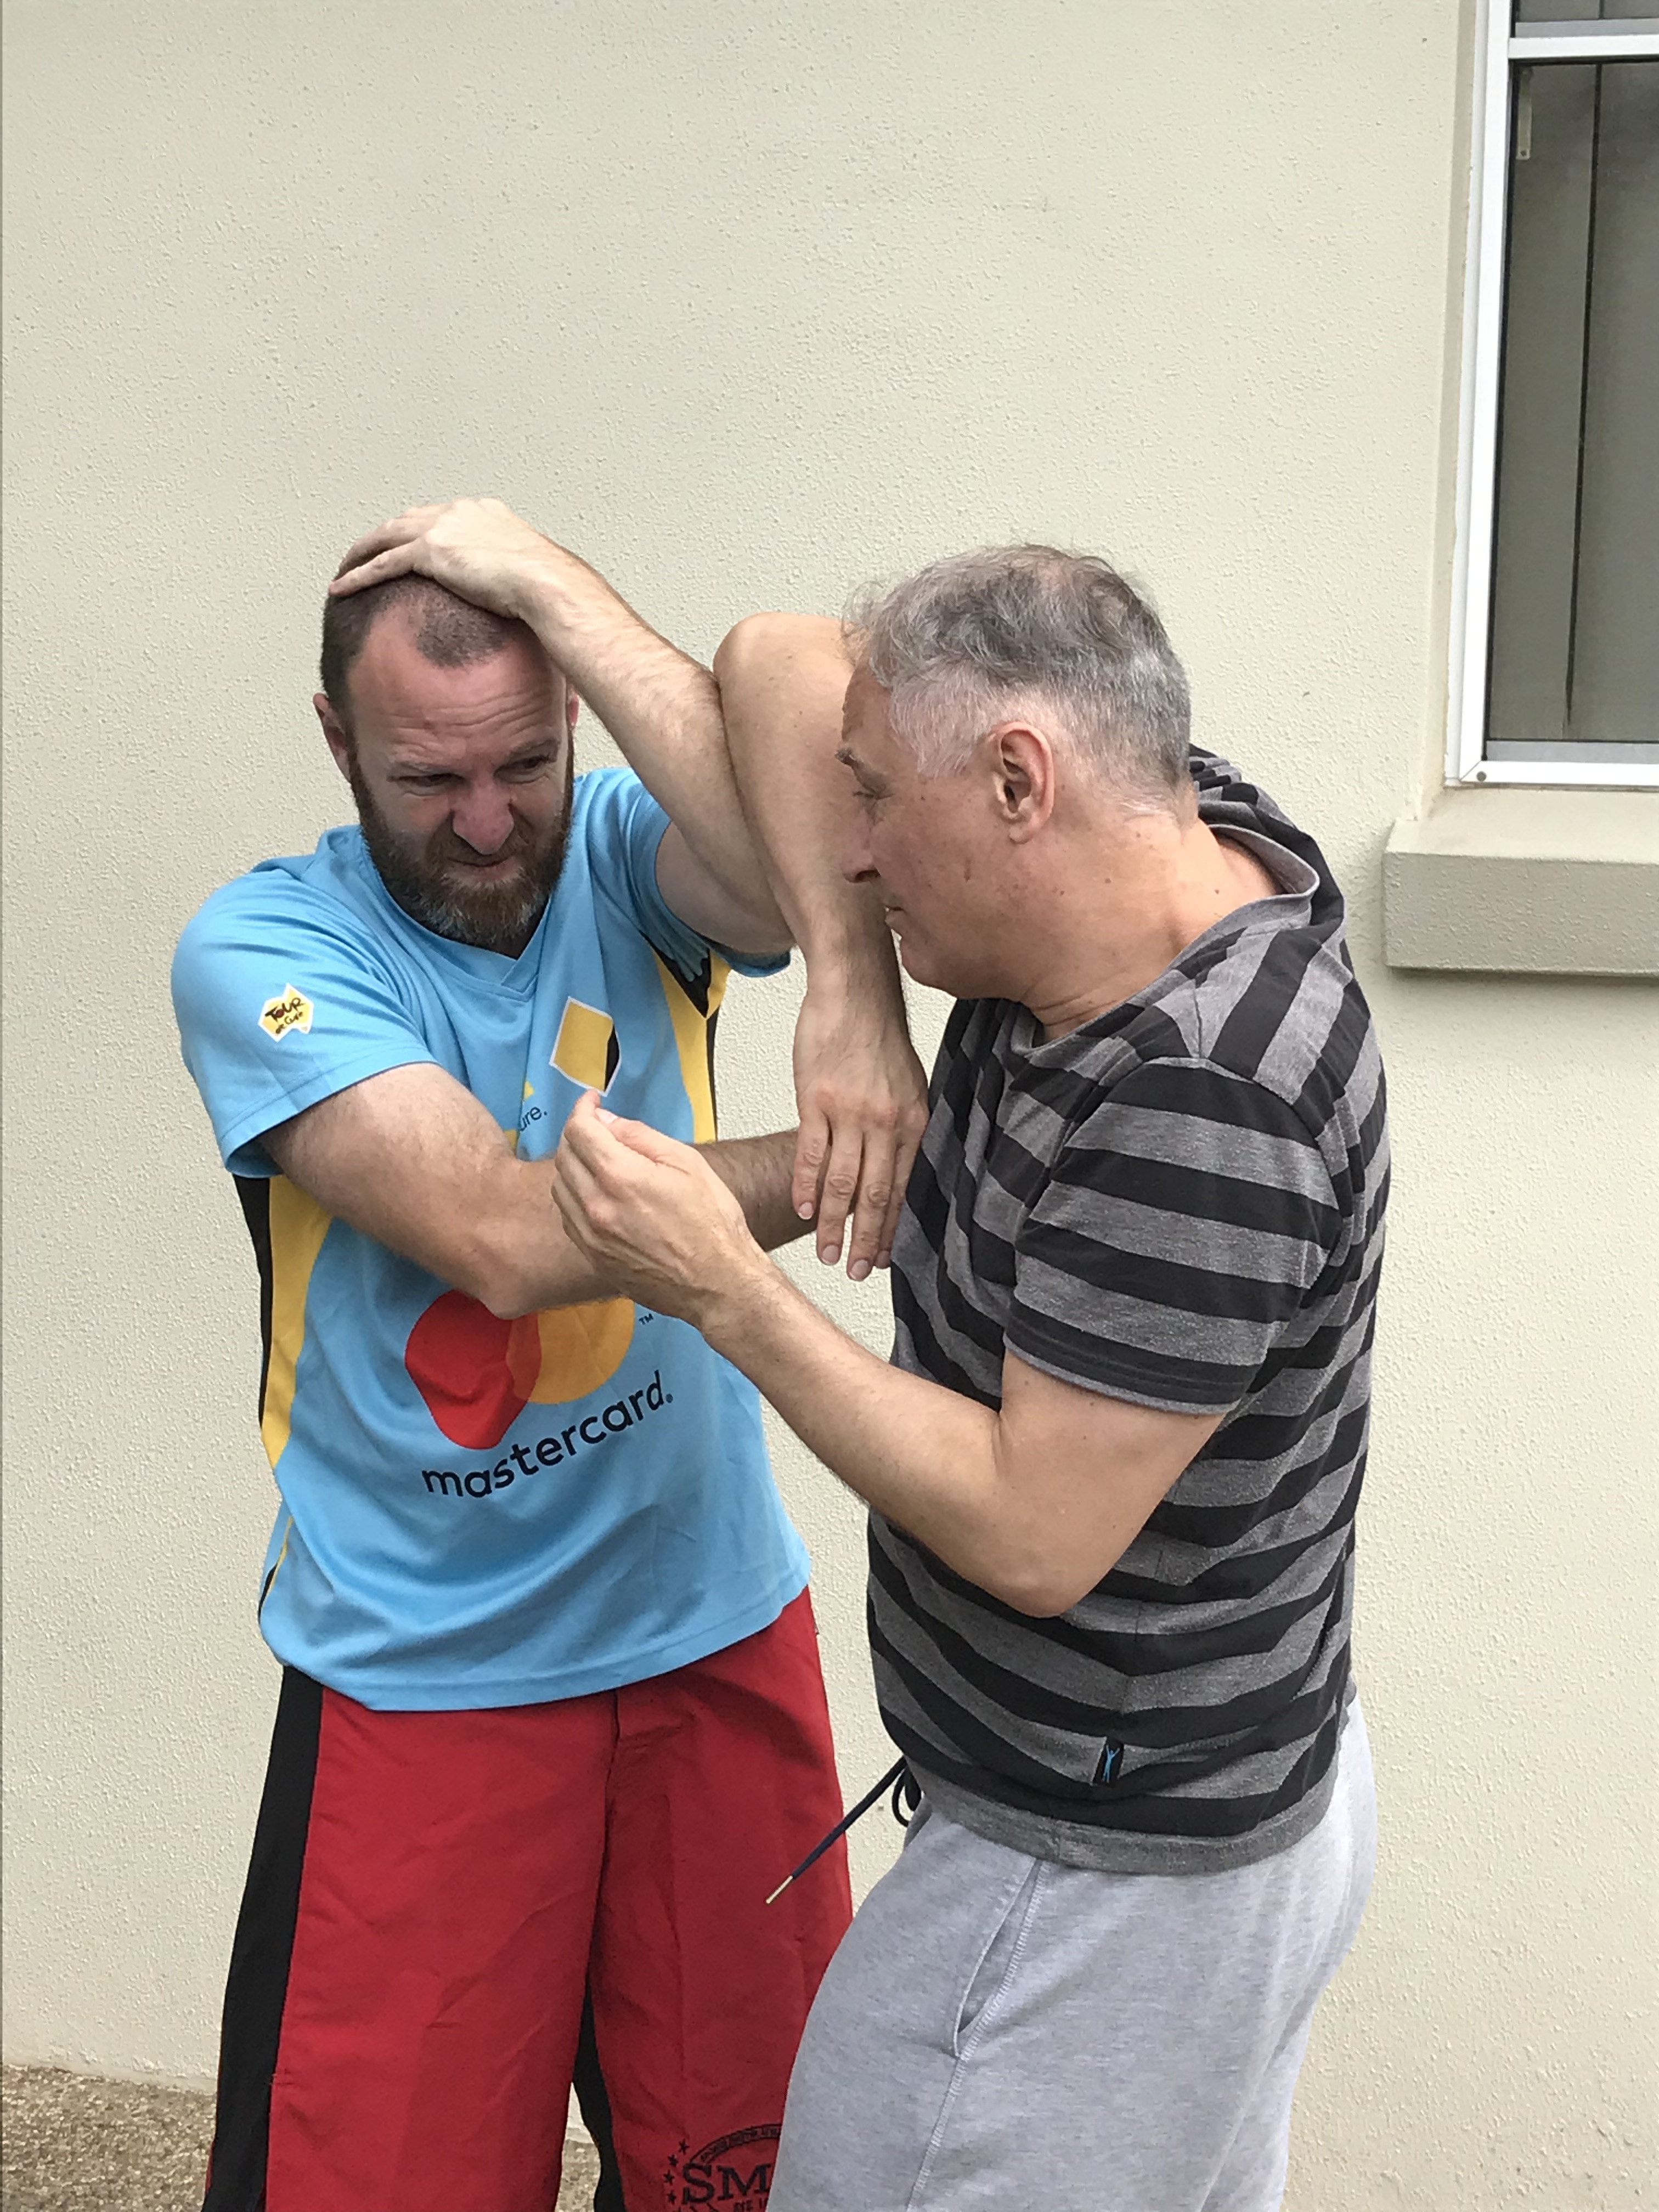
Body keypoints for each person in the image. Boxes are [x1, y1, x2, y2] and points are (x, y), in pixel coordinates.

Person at [549, 548, 1387, 2212]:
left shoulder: (1200, 1101)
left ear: (1017, 783)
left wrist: (724, 1290)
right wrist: (849, 989)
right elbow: (784, 656)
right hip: (1201, 1804)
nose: (851, 849)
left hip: (1103, 1877)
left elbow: (1033, 1532)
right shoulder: (1162, 826)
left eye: (876, 803)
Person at [170, 499, 926, 2212]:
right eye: (429, 778)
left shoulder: (624, 849)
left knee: (763, 2178)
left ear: (573, 712)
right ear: (336, 740)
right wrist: (857, 1159)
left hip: (709, 1626)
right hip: (426, 1675)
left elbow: (799, 768)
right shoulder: (266, 948)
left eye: (524, 759)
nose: (488, 818)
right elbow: (506, 1238)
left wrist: (555, 586)